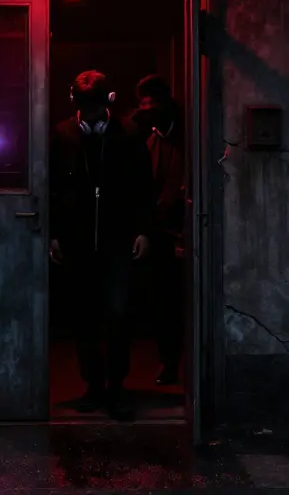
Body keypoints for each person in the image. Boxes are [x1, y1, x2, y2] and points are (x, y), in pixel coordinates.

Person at [50, 70, 153, 421]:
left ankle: (116, 386)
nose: (89, 116)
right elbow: (53, 187)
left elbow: (143, 183)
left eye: (94, 109)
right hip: (79, 240)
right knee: (85, 317)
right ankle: (94, 385)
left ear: (107, 102)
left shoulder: (128, 133)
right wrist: (55, 233)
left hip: (117, 239)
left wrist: (142, 230)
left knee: (117, 316)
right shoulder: (63, 134)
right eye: (84, 108)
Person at [130, 74, 186, 386]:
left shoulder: (184, 136)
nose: (148, 110)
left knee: (177, 302)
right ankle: (169, 361)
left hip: (181, 231)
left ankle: (174, 361)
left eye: (152, 104)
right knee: (162, 302)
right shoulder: (149, 138)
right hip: (159, 232)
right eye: (144, 105)